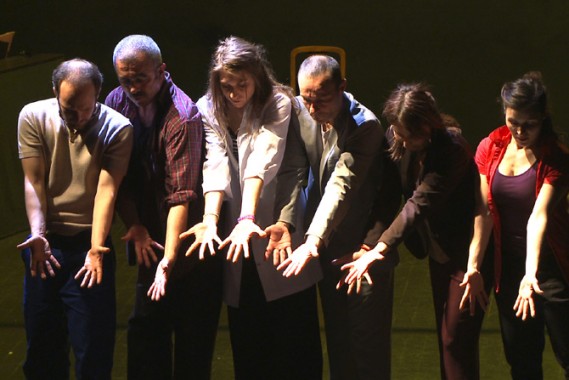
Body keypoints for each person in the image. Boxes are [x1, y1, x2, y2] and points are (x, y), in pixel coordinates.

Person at [180, 36, 322, 379]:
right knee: (250, 342)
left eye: (241, 84)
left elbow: (264, 158)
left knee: (294, 340)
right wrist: (212, 220)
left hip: (277, 228)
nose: (233, 93)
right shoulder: (208, 107)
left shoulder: (279, 102)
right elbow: (214, 165)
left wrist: (247, 215)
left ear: (257, 76)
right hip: (238, 241)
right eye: (226, 86)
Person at [340, 83, 490, 380]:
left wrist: (382, 249)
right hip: (438, 252)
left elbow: (418, 204)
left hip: (466, 252)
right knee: (447, 338)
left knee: (455, 340)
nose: (402, 140)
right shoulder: (395, 139)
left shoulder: (453, 149)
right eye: (397, 131)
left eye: (409, 134)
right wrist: (370, 246)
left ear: (427, 126)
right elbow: (388, 197)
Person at [268, 54, 401, 379]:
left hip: (363, 251)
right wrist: (286, 223)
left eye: (321, 100)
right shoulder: (300, 112)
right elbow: (293, 169)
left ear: (342, 87)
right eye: (307, 99)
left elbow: (342, 185)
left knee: (367, 350)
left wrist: (312, 240)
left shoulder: (365, 125)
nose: (312, 109)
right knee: (340, 348)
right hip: (327, 253)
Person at [105, 35, 221, 379]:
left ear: (161, 70)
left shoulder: (182, 116)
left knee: (192, 339)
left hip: (188, 242)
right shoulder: (116, 101)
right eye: (125, 79)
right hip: (150, 238)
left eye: (140, 78)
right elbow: (118, 176)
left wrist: (170, 259)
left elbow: (181, 195)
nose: (133, 87)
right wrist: (134, 225)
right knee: (145, 333)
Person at [17, 58, 133, 379]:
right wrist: (38, 233)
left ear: (98, 93)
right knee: (42, 347)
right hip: (45, 244)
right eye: (69, 110)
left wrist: (96, 247)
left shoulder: (117, 127)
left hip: (88, 246)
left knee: (93, 349)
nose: (79, 117)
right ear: (55, 92)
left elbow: (106, 192)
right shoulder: (33, 116)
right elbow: (34, 180)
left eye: (87, 108)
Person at [460, 72, 569, 379]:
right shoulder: (490, 147)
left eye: (529, 124)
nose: (520, 130)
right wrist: (474, 266)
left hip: (552, 271)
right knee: (522, 362)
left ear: (542, 118)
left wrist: (531, 274)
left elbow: (539, 216)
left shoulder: (555, 158)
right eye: (513, 121)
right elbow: (483, 212)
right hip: (508, 273)